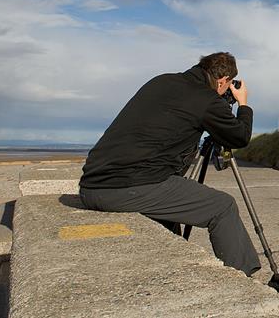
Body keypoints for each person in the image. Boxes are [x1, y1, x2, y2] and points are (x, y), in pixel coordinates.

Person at [78, 52, 260, 276]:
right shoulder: (205, 99)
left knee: (171, 203)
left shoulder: (162, 81)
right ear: (223, 80)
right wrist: (242, 104)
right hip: (122, 188)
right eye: (228, 84)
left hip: (91, 184)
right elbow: (239, 136)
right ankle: (243, 282)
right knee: (223, 206)